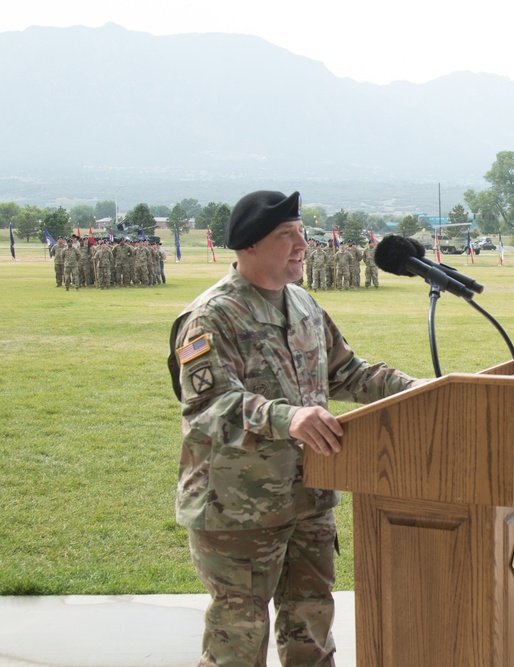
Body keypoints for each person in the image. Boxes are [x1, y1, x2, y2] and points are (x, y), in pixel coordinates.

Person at [168, 190, 419, 666]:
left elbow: (347, 372)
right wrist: (289, 417)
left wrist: (420, 389)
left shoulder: (303, 304)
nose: (303, 244)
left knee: (311, 630)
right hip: (238, 509)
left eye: (301, 233)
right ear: (249, 245)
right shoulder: (211, 316)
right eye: (287, 235)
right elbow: (207, 404)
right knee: (237, 642)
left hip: (309, 499)